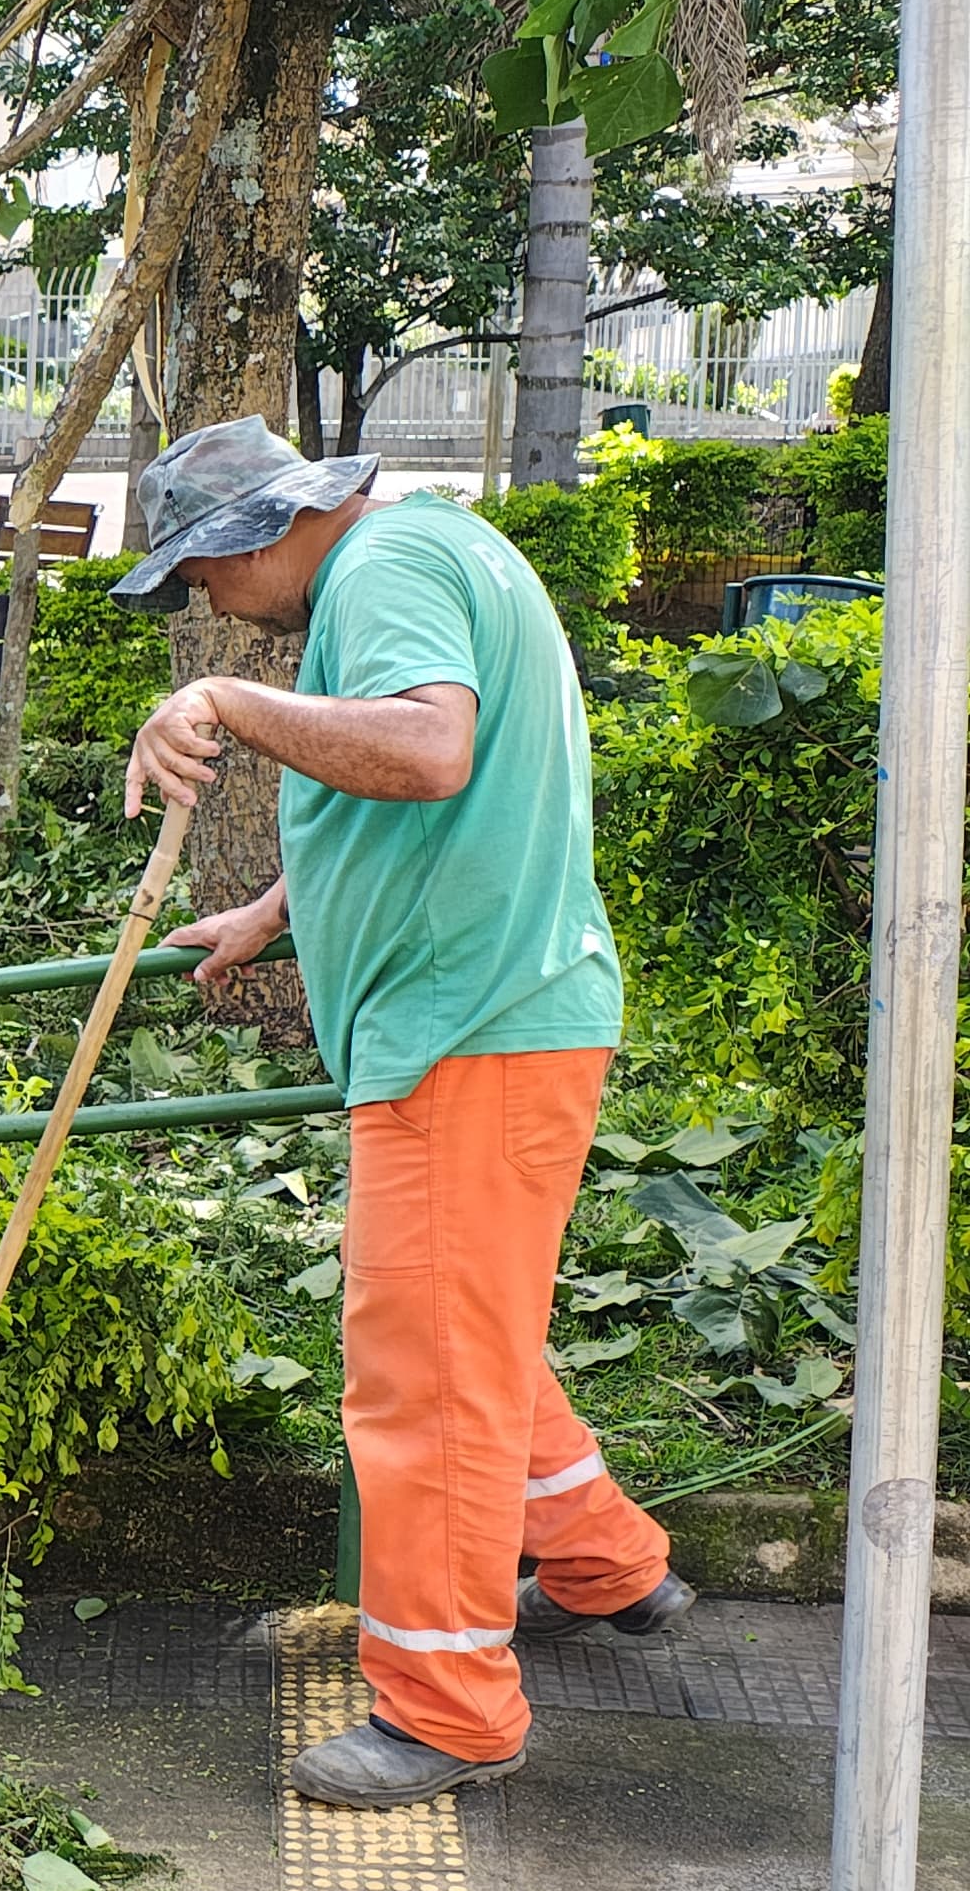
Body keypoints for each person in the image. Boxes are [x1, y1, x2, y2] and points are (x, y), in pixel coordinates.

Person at [117, 417, 687, 1810]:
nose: (205, 605)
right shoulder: (426, 553)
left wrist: (230, 710)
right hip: (489, 1016)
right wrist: (276, 908)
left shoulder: (382, 566)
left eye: (198, 574)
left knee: (424, 1370)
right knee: (464, 1327)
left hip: (471, 1024)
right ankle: (609, 1566)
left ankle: (445, 1709)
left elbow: (432, 751)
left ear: (261, 530)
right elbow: (424, 800)